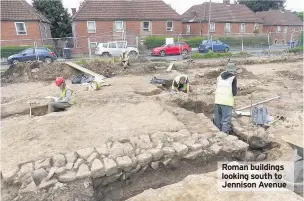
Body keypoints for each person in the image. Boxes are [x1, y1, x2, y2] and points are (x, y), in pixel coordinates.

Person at [214, 63, 237, 134]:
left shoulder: (219, 76)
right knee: (226, 119)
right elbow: (234, 92)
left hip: (217, 100)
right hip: (227, 101)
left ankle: (217, 131)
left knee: (218, 118)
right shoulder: (233, 78)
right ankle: (224, 134)